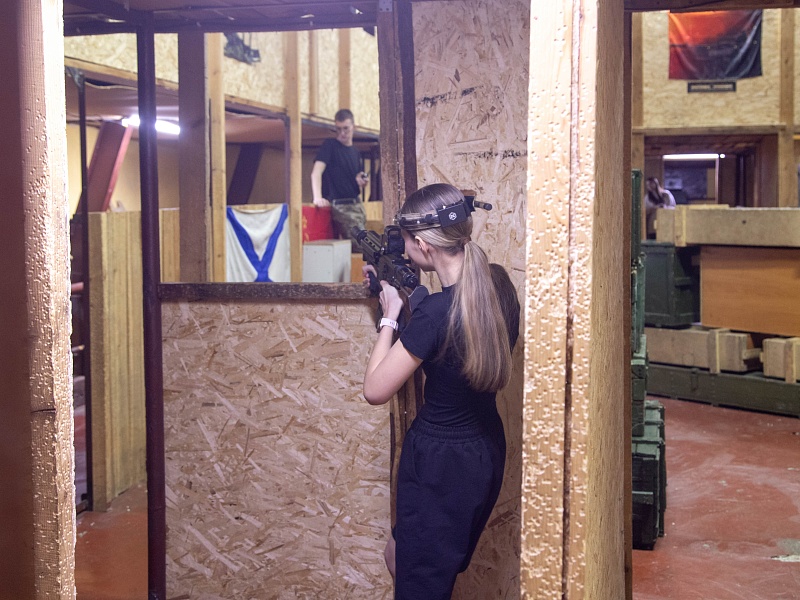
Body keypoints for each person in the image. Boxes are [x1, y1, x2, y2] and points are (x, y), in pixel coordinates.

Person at [361, 183, 520, 599]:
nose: (404, 247)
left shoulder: (435, 314)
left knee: (421, 586)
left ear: (423, 245)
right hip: (483, 449)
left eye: (405, 240)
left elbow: (375, 390)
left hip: (439, 462)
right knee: (406, 561)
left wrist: (391, 315)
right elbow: (457, 344)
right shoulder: (499, 288)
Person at [310, 108, 368, 249]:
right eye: (338, 129)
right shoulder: (330, 145)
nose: (342, 133)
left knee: (365, 243)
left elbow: (357, 177)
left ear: (354, 127)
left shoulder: (355, 152)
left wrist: (361, 181)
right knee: (362, 246)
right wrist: (317, 197)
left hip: (357, 205)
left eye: (346, 128)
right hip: (340, 205)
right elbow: (316, 172)